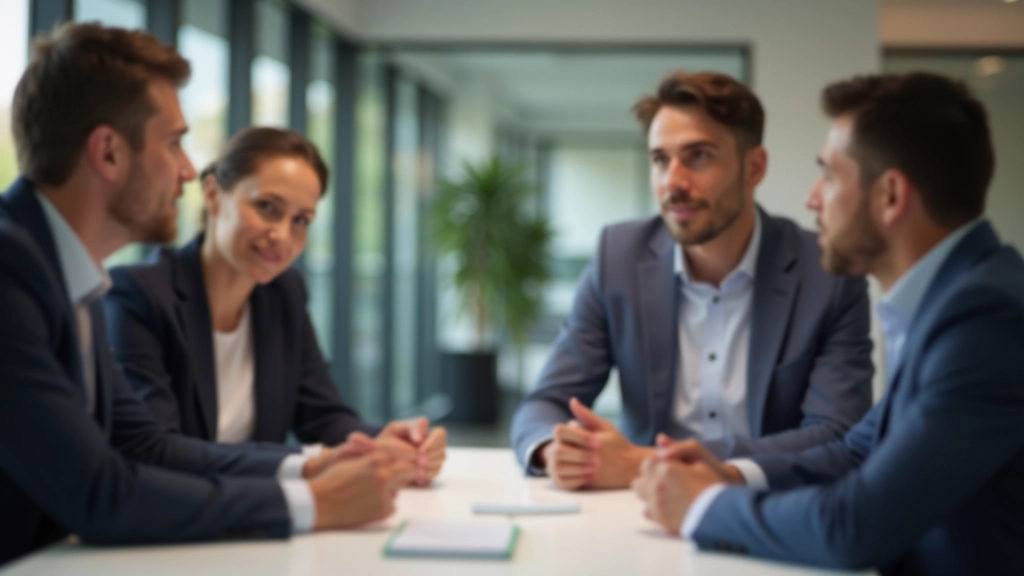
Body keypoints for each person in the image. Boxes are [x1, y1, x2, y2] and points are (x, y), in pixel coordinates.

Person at [0, 23, 412, 567]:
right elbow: (100, 493)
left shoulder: (69, 277)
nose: (189, 170)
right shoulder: (13, 273)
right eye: (174, 143)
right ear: (108, 152)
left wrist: (311, 469)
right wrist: (309, 501)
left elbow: (142, 447)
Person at [633, 72, 1024, 576]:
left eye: (831, 176)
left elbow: (855, 527)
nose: (813, 198)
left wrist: (702, 506)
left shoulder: (988, 319)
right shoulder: (956, 298)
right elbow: (852, 453)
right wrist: (727, 473)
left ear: (890, 196)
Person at [510, 71, 874, 490]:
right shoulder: (618, 257)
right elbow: (545, 403)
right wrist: (554, 450)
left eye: (698, 156)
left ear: (754, 167)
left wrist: (645, 462)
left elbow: (836, 435)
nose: (673, 182)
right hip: (643, 512)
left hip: (770, 507)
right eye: (660, 159)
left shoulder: (826, 272)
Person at [102, 127, 446, 487]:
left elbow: (323, 417)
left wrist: (386, 441)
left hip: (258, 517)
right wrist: (312, 463)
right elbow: (160, 450)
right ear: (214, 195)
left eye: (301, 220)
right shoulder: (138, 295)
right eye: (267, 207)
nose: (282, 235)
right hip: (178, 517)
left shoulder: (284, 294)